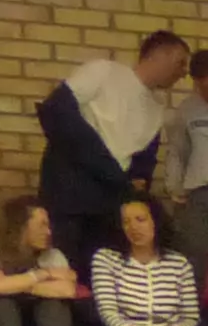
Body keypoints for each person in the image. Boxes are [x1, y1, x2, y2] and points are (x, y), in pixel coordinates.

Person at [36, 34, 184, 297]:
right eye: (180, 63)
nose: (183, 73)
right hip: (69, 186)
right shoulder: (103, 72)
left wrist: (136, 182)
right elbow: (56, 110)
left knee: (99, 271)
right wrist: (101, 163)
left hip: (109, 196)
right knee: (61, 263)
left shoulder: (156, 108)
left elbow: (143, 161)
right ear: (159, 55)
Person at [89, 194, 204, 326]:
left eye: (140, 219)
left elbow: (191, 316)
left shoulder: (178, 263)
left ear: (156, 222)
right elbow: (108, 314)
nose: (133, 227)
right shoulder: (106, 258)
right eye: (126, 222)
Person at [0, 194, 82, 326]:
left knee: (55, 304)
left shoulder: (53, 255)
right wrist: (43, 274)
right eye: (42, 224)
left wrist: (16, 286)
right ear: (20, 227)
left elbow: (67, 290)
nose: (49, 232)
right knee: (0, 303)